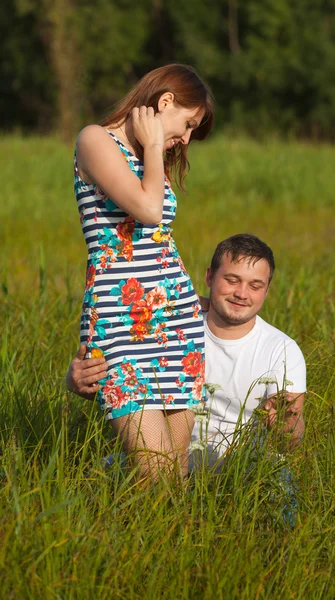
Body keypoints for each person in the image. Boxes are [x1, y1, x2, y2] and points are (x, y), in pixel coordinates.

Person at [73, 63, 214, 481]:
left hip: (176, 321)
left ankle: (179, 546)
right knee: (155, 473)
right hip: (120, 322)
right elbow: (150, 212)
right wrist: (154, 146)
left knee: (177, 473)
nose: (184, 139)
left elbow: (160, 239)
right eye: (187, 124)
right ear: (164, 102)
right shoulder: (95, 140)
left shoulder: (150, 156)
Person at [67, 234, 306, 469]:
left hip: (242, 468)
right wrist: (77, 381)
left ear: (267, 290)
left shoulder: (281, 350)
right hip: (169, 457)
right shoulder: (169, 329)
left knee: (282, 488)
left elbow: (292, 442)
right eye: (232, 280)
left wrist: (287, 423)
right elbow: (125, 391)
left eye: (255, 286)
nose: (242, 294)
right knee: (93, 474)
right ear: (209, 277)